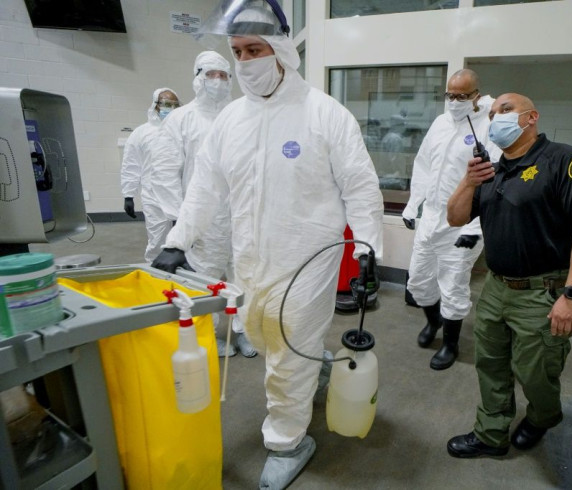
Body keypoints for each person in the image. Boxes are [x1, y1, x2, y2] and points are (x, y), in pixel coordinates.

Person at [152, 1, 383, 488]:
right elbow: (205, 189)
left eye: (254, 49)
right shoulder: (230, 121)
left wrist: (366, 250)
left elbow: (361, 187)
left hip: (309, 258)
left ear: (280, 49)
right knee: (260, 332)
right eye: (237, 52)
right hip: (252, 258)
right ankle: (312, 363)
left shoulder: (325, 114)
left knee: (285, 352)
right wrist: (178, 241)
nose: (245, 61)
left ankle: (287, 439)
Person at [446, 93, 572, 457]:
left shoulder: (565, 161)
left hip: (544, 292)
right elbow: (455, 217)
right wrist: (468, 183)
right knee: (490, 364)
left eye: (505, 110)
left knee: (536, 373)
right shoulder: (492, 171)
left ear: (531, 117)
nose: (496, 118)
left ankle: (543, 416)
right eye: (492, 114)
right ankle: (491, 433)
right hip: (495, 287)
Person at [150, 50, 256, 358]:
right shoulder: (181, 120)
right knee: (204, 279)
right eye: (211, 74)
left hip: (240, 215)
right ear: (198, 78)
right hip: (201, 218)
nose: (219, 81)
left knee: (244, 275)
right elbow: (165, 172)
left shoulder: (240, 115)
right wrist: (179, 221)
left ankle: (244, 331)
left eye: (224, 75)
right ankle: (208, 334)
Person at [402, 69, 501, 371]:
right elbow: (423, 165)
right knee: (418, 281)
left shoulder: (488, 126)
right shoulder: (440, 123)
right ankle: (434, 322)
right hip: (431, 216)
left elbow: (491, 180)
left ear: (477, 96)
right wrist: (412, 205)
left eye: (462, 96)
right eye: (450, 95)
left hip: (463, 223)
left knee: (453, 285)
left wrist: (475, 227)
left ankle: (450, 343)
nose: (455, 101)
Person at [120, 87, 180, 263]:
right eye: (167, 104)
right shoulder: (141, 133)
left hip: (180, 195)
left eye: (175, 105)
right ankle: (154, 271)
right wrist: (128, 195)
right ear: (155, 105)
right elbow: (131, 164)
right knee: (157, 239)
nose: (171, 109)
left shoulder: (182, 130)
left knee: (184, 241)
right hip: (153, 196)